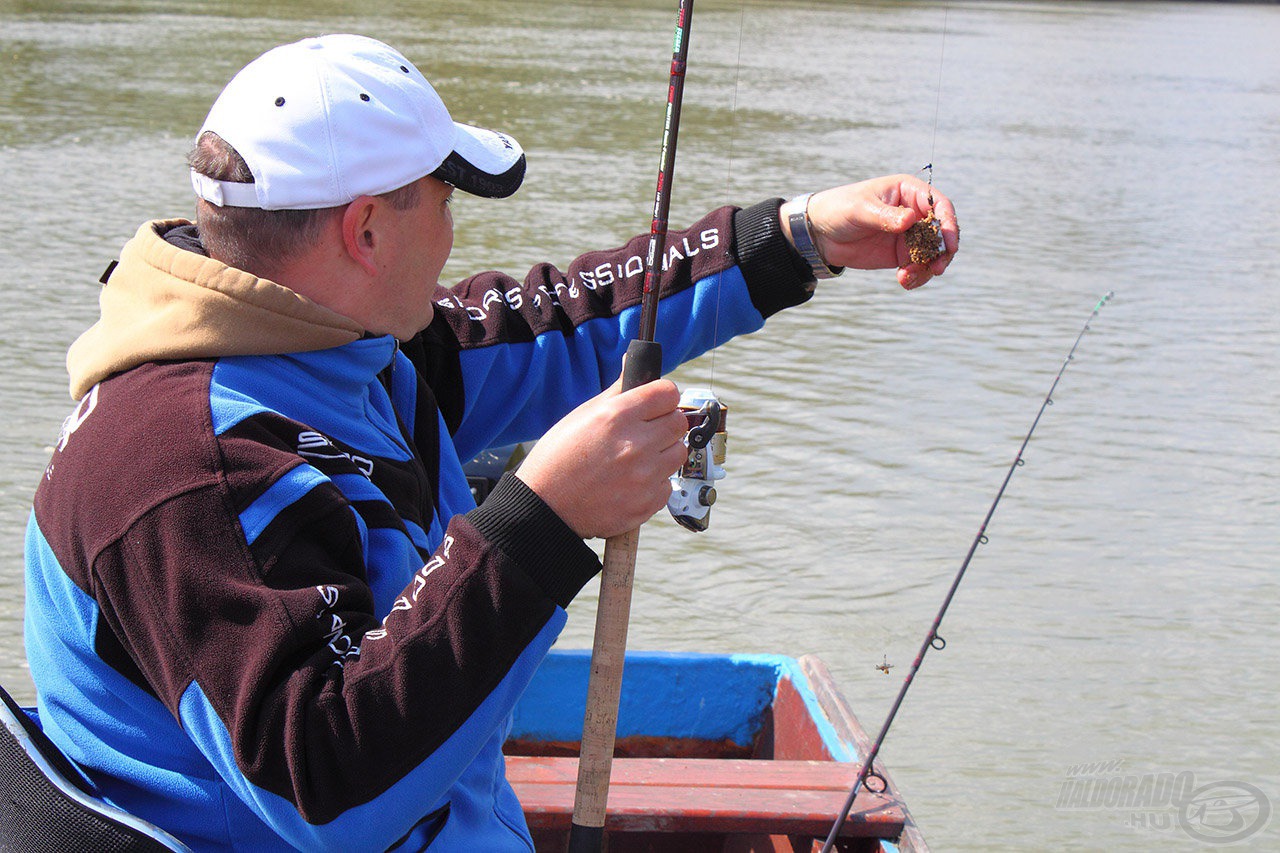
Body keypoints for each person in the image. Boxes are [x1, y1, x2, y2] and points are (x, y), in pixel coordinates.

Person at [23, 33, 958, 852]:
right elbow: (324, 787)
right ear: (367, 229)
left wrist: (797, 237)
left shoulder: (338, 339)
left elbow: (570, 323)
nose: (454, 230)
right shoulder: (186, 469)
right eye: (442, 196)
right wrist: (539, 522)